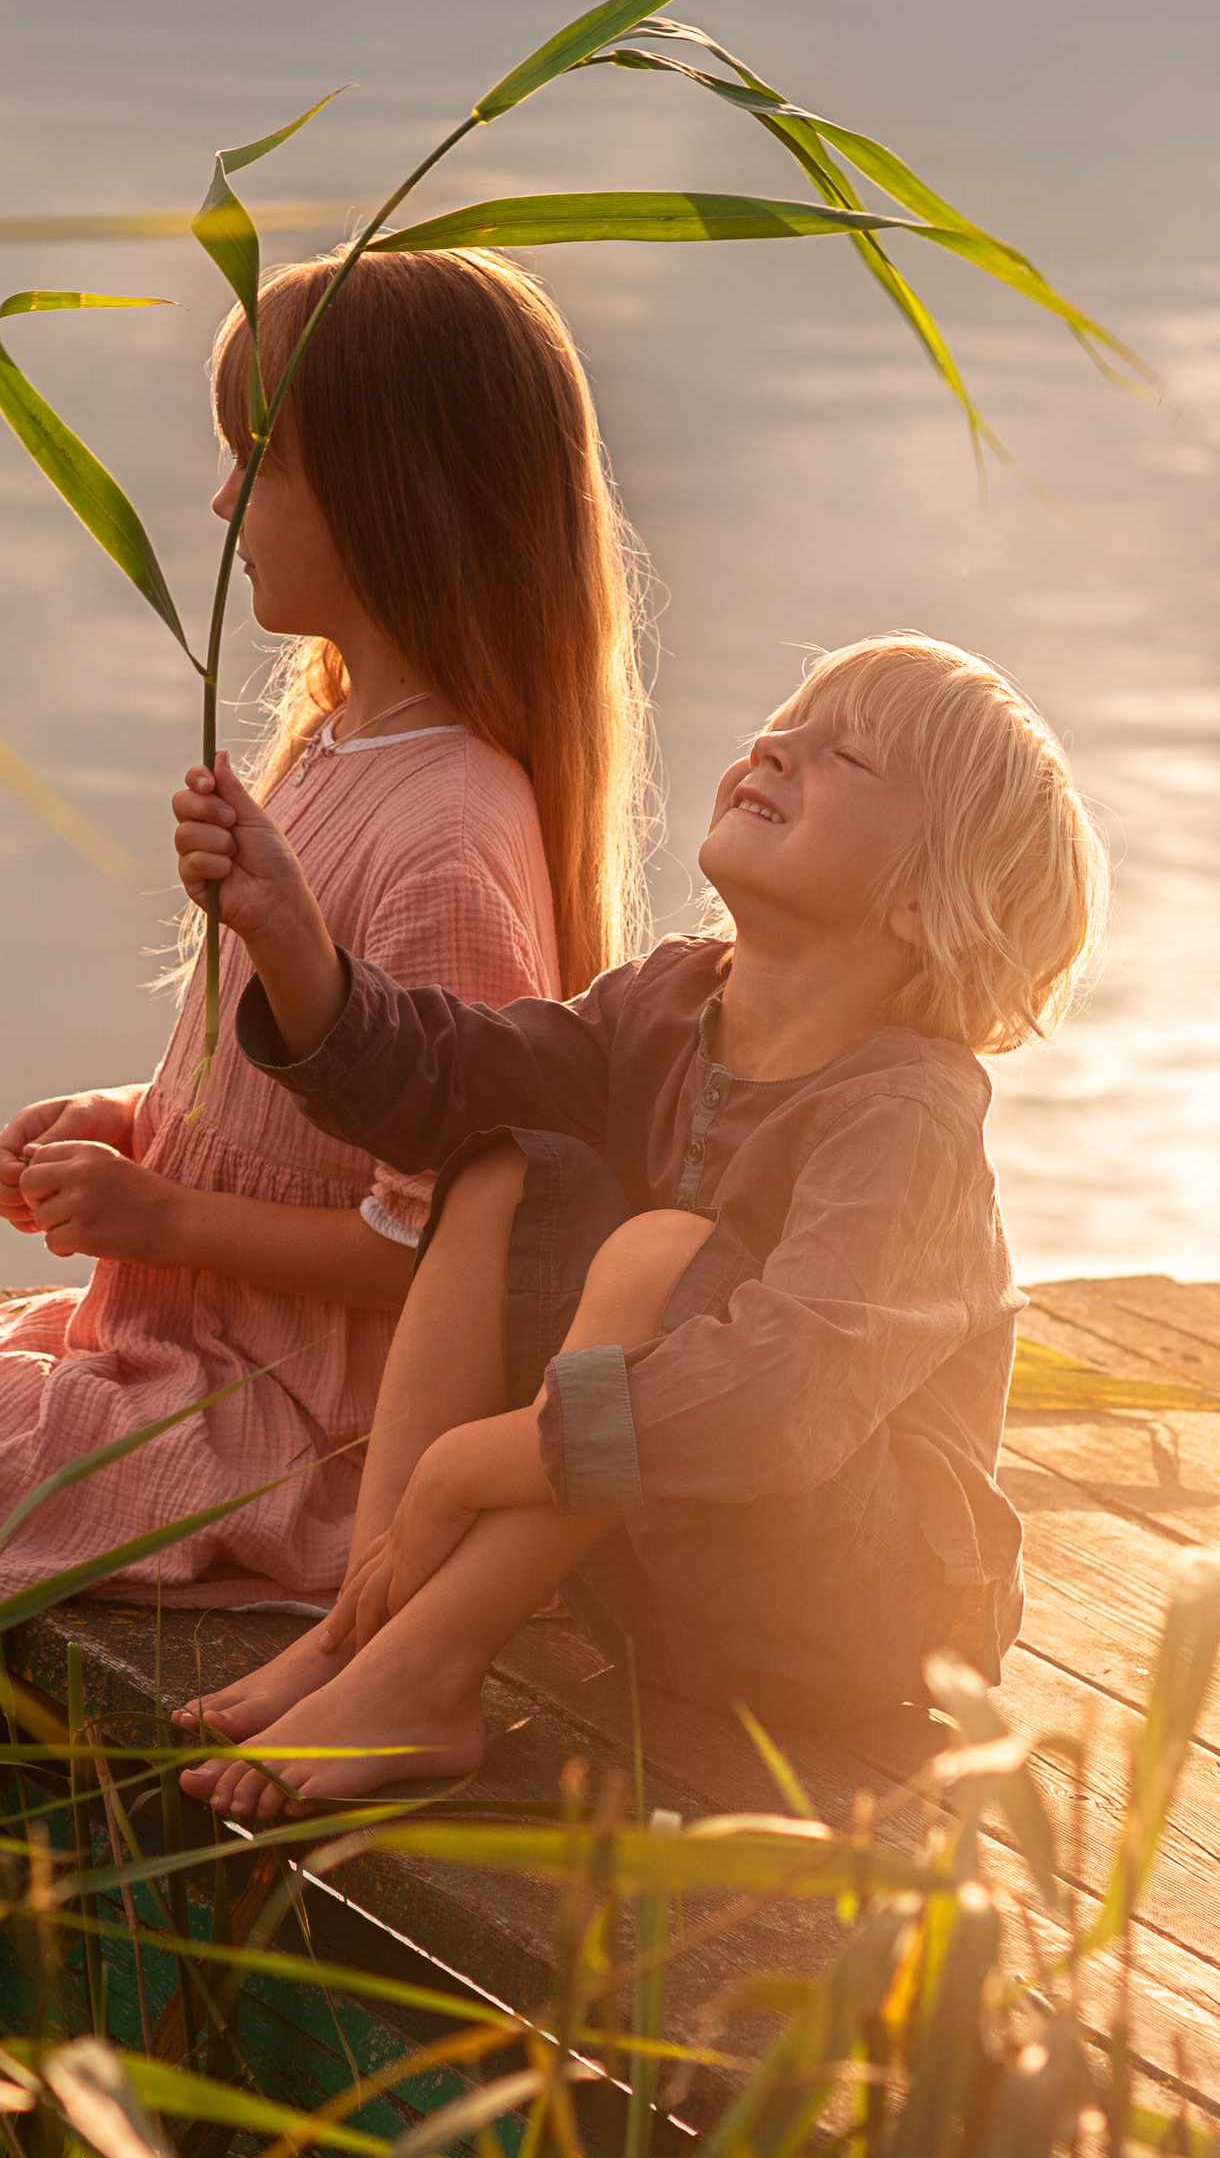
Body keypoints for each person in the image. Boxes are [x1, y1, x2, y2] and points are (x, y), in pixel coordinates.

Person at [0, 245, 650, 1976]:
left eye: (258, 459)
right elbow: (272, 1078)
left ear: (387, 488)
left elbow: (440, 1249)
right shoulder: (340, 740)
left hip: (299, 1424)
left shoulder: (448, 830)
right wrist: (133, 1121)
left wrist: (159, 1223)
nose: (218, 495)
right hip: (175, 1340)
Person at [169, 631, 1107, 1823]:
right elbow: (457, 1080)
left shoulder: (906, 1112)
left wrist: (475, 1463)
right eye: (785, 719)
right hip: (657, 1587)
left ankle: (420, 1673)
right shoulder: (668, 1004)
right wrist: (292, 946)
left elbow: (778, 1405)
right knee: (505, 1164)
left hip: (853, 1621)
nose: (776, 746)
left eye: (846, 755)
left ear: (926, 903)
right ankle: (371, 1627)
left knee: (657, 1258)